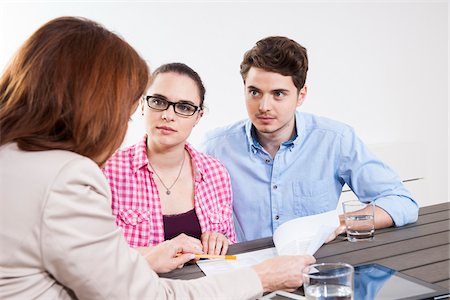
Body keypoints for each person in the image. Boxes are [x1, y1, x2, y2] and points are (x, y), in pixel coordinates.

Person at [0, 17, 316, 299]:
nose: (124, 119)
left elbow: (81, 266)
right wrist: (261, 277)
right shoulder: (69, 177)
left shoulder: (13, 159)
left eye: (184, 107)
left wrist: (143, 259)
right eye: (132, 102)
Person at [201, 36, 419, 242]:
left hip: (314, 267)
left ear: (301, 95)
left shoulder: (335, 140)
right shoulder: (216, 148)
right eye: (255, 92)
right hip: (249, 273)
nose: (264, 106)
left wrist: (339, 223)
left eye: (278, 94)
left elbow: (401, 202)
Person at [102, 63, 235, 255]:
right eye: (158, 102)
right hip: (139, 285)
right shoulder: (108, 171)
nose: (168, 115)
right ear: (141, 105)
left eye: (184, 107)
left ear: (198, 116)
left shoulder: (216, 172)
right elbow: (94, 258)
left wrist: (221, 241)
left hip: (205, 284)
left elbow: (229, 251)